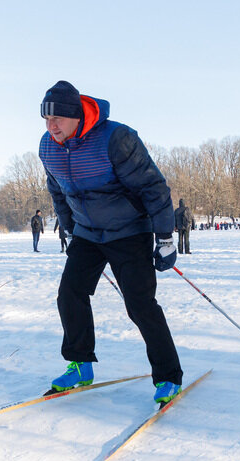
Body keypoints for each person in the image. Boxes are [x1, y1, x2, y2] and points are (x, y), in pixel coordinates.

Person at [38, 80, 182, 404]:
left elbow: (153, 188)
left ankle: (169, 376)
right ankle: (80, 364)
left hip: (129, 230)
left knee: (140, 304)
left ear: (77, 116)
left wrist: (165, 238)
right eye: (46, 120)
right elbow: (58, 191)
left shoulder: (116, 139)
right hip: (88, 233)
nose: (52, 126)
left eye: (58, 118)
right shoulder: (48, 147)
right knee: (70, 294)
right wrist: (70, 228)